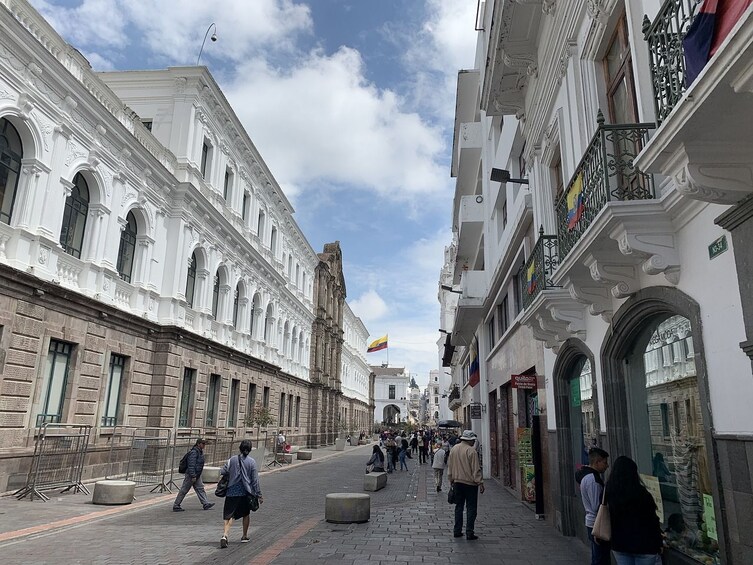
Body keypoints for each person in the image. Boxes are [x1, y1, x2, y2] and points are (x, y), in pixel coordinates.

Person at [605, 455, 663, 565]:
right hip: (644, 545)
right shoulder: (642, 494)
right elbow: (652, 521)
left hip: (620, 544)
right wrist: (659, 542)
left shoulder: (609, 493)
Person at [219, 439, 263, 548]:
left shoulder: (232, 460)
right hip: (245, 492)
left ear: (240, 448)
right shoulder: (252, 462)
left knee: (229, 515)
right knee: (245, 514)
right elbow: (255, 480)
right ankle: (244, 535)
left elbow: (223, 471)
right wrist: (258, 494)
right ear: (250, 449)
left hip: (231, 491)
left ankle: (225, 535)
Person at [446, 430, 485, 540]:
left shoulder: (454, 449)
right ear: (469, 440)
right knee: (471, 508)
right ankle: (469, 531)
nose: (474, 442)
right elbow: (476, 469)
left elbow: (450, 466)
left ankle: (457, 530)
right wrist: (480, 482)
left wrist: (451, 479)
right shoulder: (471, 451)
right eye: (473, 440)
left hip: (457, 482)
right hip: (470, 484)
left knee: (459, 507)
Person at [575, 447, 610, 565]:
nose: (607, 466)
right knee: (600, 558)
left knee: (598, 556)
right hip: (597, 523)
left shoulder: (587, 476)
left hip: (592, 522)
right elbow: (597, 506)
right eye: (605, 462)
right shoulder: (593, 480)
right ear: (597, 462)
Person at [173, 438, 214, 512]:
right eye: (203, 444)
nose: (204, 445)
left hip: (197, 474)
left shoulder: (199, 451)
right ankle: (176, 505)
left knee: (200, 488)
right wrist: (193, 475)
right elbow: (191, 465)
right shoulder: (194, 452)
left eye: (205, 444)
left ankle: (205, 503)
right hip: (192, 475)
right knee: (184, 490)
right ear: (198, 444)